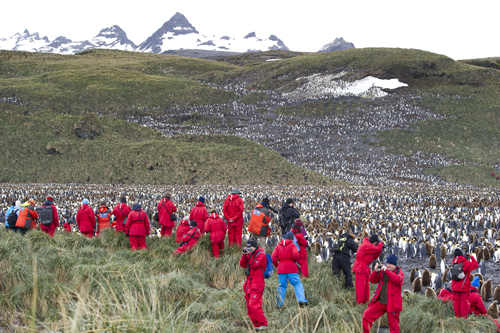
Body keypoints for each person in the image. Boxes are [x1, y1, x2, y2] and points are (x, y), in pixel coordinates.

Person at [362, 254, 404, 333]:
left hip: (393, 304)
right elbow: (372, 280)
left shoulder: (399, 273)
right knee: (366, 315)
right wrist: (375, 271)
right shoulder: (383, 272)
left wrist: (387, 271)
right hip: (381, 303)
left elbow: (397, 280)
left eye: (390, 264)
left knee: (394, 328)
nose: (387, 265)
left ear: (395, 265)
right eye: (387, 264)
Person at [271, 232, 308, 307]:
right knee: (297, 283)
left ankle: (279, 303)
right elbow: (295, 255)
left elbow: (273, 258)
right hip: (291, 268)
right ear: (291, 238)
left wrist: (278, 265)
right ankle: (301, 299)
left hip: (281, 269)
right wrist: (294, 261)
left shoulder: (278, 246)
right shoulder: (292, 245)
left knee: (281, 286)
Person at [240, 238, 268, 330]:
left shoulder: (261, 255)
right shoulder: (249, 255)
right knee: (249, 308)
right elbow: (242, 264)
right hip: (249, 285)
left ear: (255, 246)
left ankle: (263, 323)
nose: (249, 248)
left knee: (254, 305)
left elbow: (254, 265)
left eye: (250, 246)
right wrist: (245, 255)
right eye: (247, 246)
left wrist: (249, 255)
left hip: (257, 285)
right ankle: (257, 325)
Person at [353, 234, 384, 305]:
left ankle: (365, 303)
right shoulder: (366, 245)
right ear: (374, 243)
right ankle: (360, 303)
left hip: (365, 268)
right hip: (360, 267)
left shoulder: (369, 246)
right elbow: (377, 249)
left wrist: (380, 247)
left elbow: (375, 256)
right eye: (376, 243)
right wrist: (381, 244)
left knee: (366, 287)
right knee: (360, 287)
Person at [451, 248, 478, 319]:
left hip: (454, 287)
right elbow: (475, 265)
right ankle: (463, 318)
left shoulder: (453, 263)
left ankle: (457, 317)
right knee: (464, 302)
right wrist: (471, 257)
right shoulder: (465, 263)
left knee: (456, 301)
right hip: (463, 287)